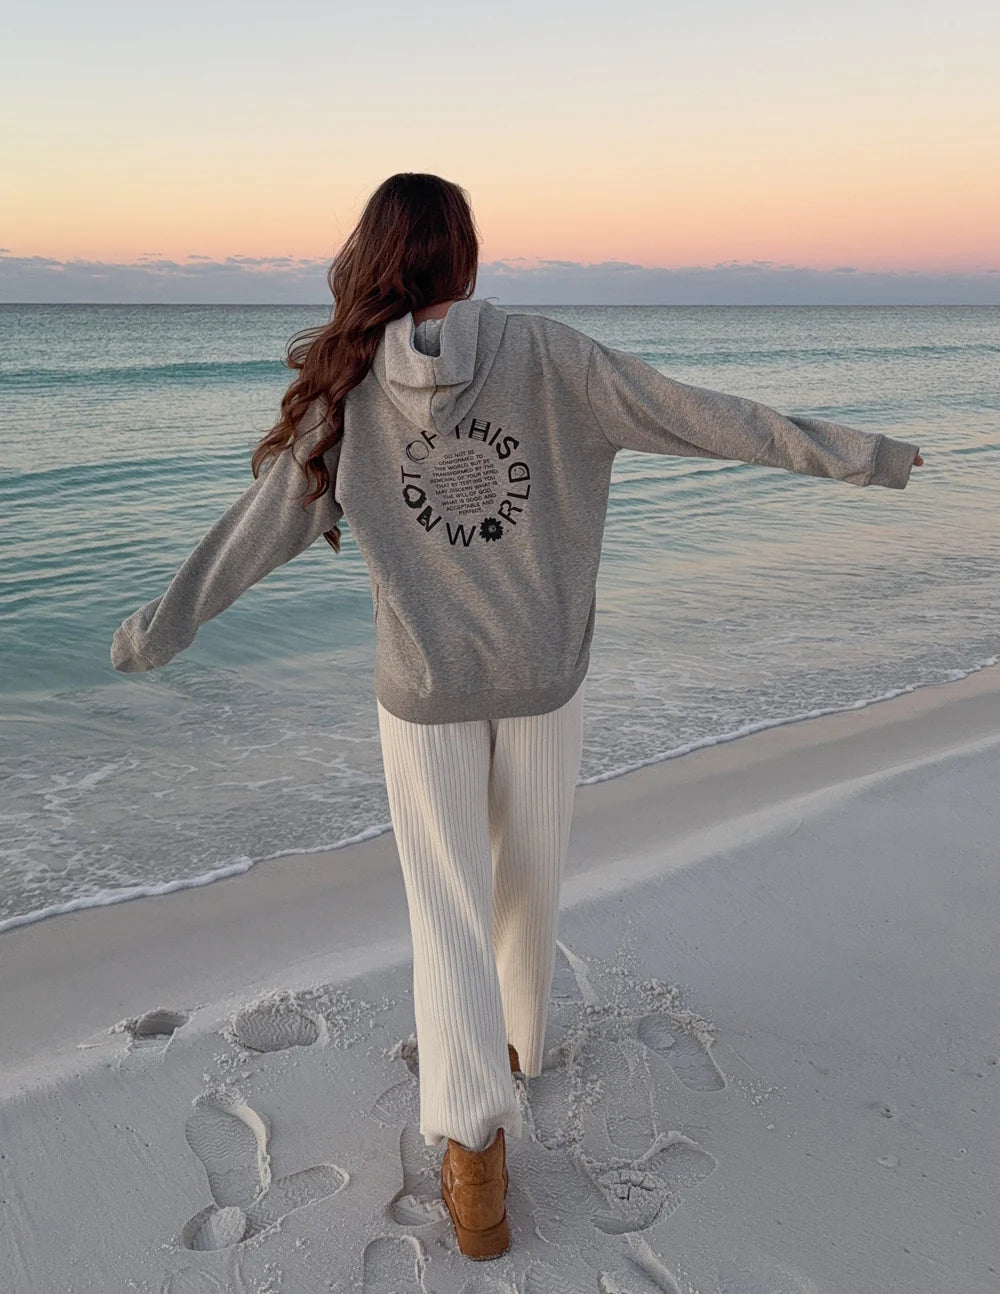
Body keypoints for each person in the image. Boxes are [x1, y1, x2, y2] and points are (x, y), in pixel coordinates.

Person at [110, 171, 923, 1261]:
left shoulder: (349, 388)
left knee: (446, 908)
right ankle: (518, 1049)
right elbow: (705, 417)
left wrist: (157, 629)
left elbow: (257, 529)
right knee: (527, 878)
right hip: (543, 681)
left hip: (424, 696)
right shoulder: (549, 354)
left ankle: (474, 1150)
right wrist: (865, 456)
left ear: (372, 260)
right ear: (465, 252)